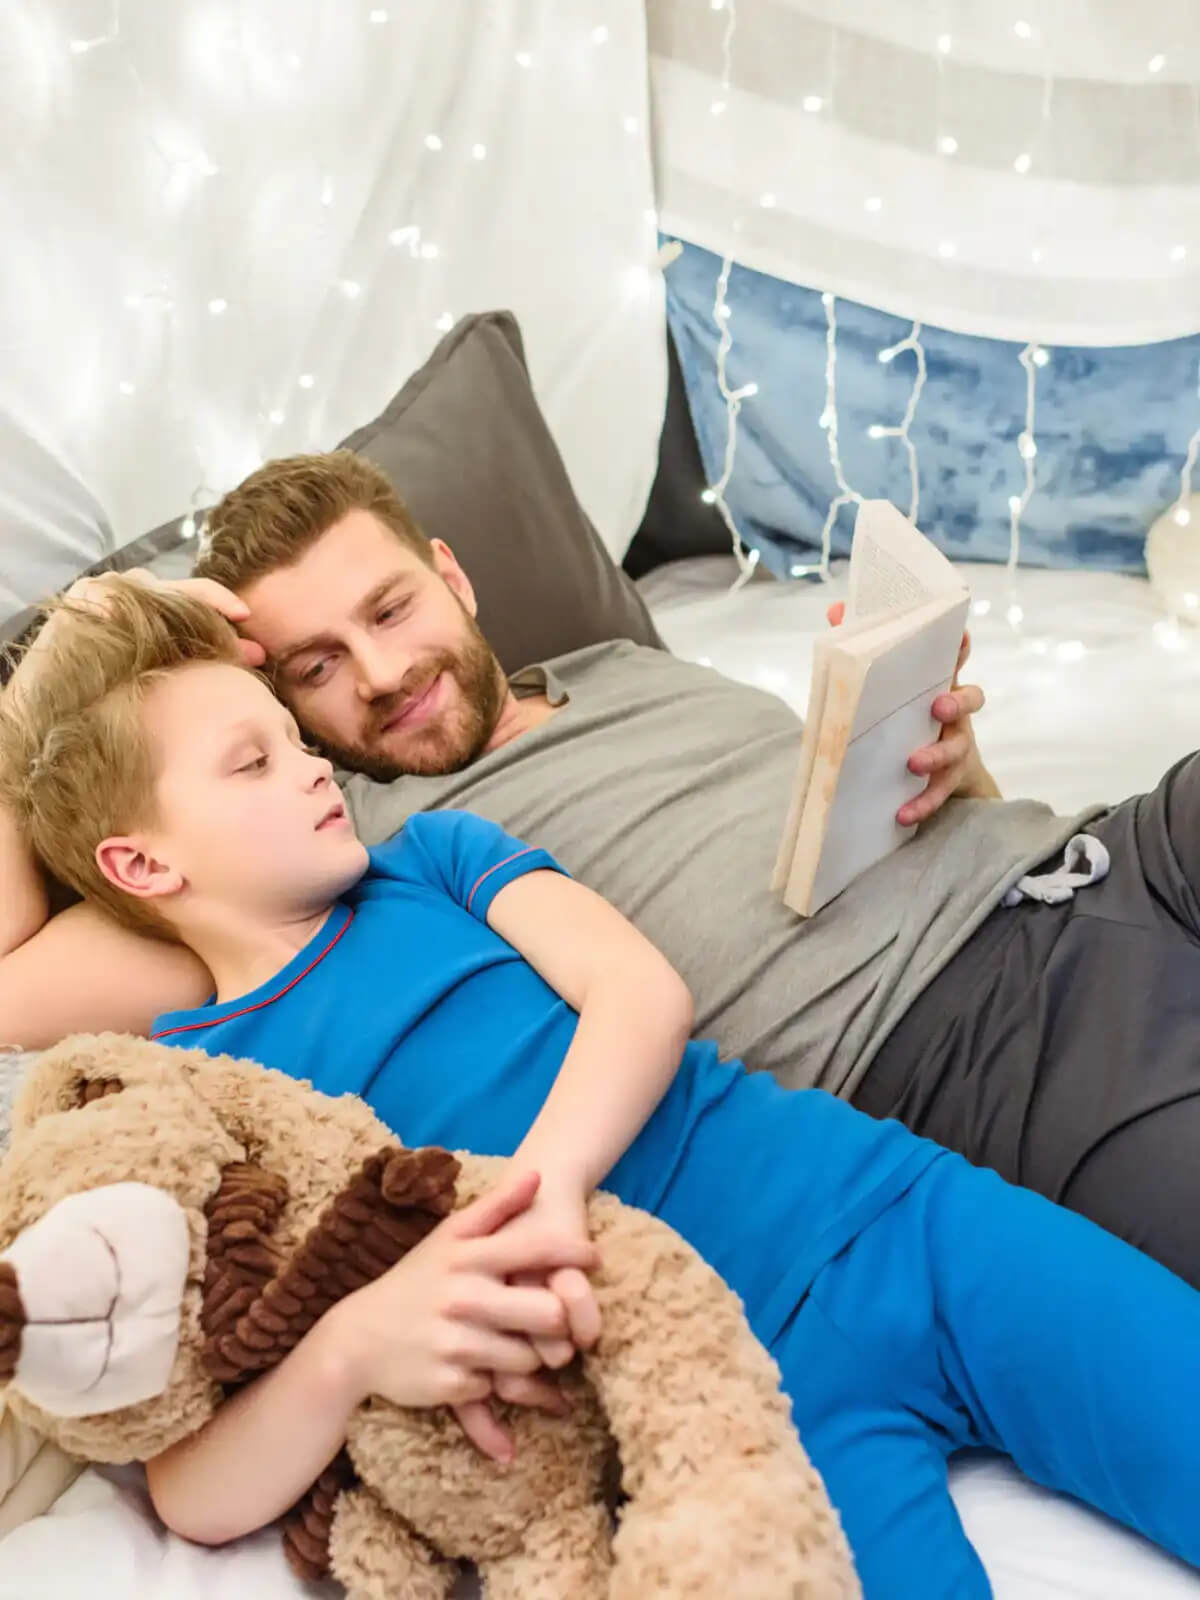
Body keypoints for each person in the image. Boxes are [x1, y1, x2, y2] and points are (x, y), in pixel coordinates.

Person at [3, 579, 1200, 1600]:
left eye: (294, 736)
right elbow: (193, 1491)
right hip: (739, 1402)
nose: (318, 767)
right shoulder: (207, 1089)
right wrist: (354, 1344)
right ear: (142, 862)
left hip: (897, 1216)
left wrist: (540, 1191)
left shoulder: (436, 855)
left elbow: (640, 994)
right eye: (254, 760)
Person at [2, 452, 1196, 1289]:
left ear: (453, 577)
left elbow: (926, 836)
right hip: (972, 1044)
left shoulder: (618, 659)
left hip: (1104, 853)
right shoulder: (346, 846)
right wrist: (111, 623)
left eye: (391, 607)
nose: (376, 669)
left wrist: (956, 764)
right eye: (315, 665)